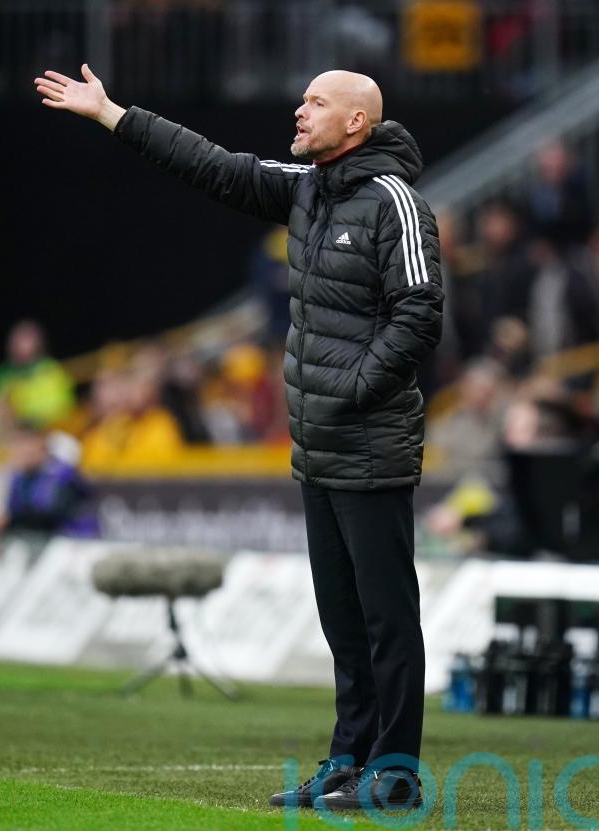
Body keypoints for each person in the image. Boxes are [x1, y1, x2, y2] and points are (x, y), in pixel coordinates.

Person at [34, 64, 443, 812]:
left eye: (316, 102)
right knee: (344, 622)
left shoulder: (395, 201)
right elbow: (214, 166)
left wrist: (350, 390)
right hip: (318, 446)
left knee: (386, 618)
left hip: (370, 442)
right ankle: (349, 759)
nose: (300, 110)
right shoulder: (310, 188)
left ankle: (396, 772)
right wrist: (113, 114)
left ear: (356, 121)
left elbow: (420, 315)